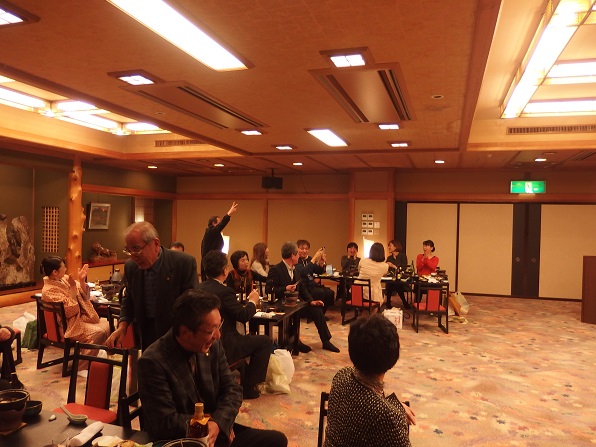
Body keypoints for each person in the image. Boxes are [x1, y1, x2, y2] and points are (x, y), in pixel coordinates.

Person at [137, 289, 287, 446]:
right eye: (211, 330)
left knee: (276, 440)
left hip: (215, 429)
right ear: (185, 331)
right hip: (181, 440)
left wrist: (219, 423)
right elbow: (165, 423)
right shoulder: (153, 361)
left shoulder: (212, 345)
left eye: (219, 326)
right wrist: (209, 424)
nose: (218, 335)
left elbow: (233, 389)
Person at [324, 314, 415, 447]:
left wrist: (394, 406)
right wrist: (393, 411)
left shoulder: (341, 375)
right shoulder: (387, 416)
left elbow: (366, 397)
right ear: (393, 356)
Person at [106, 222, 199, 351]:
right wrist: (122, 327)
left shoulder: (183, 263)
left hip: (176, 332)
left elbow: (192, 304)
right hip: (146, 331)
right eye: (128, 250)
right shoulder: (131, 266)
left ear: (155, 244)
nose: (133, 256)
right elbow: (129, 299)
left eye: (136, 249)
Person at [200, 250, 271, 400]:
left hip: (202, 341)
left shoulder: (198, 288)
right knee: (265, 341)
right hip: (224, 344)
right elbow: (243, 316)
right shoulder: (225, 291)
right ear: (225, 270)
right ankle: (249, 387)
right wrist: (253, 301)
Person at [266, 242, 339, 353]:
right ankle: (295, 341)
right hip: (281, 306)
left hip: (295, 304)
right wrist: (285, 288)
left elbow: (302, 288)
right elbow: (269, 290)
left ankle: (326, 341)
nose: (299, 256)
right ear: (292, 255)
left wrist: (311, 301)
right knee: (289, 316)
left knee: (316, 310)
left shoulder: (294, 269)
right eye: (297, 254)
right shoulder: (276, 269)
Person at [40, 257, 109, 350]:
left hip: (78, 318)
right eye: (63, 267)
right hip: (68, 326)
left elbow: (81, 292)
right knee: (98, 333)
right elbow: (70, 311)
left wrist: (81, 280)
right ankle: (85, 359)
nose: (66, 269)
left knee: (109, 326)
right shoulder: (49, 290)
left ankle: (98, 357)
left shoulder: (64, 279)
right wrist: (72, 286)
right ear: (55, 272)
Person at [200, 201, 239, 281]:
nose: (220, 224)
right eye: (219, 222)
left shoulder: (213, 233)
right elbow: (221, 225)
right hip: (210, 263)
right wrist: (229, 213)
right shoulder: (210, 231)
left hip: (211, 261)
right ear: (213, 223)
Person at [296, 240, 335, 313]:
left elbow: (318, 271)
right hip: (304, 286)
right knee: (320, 292)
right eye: (302, 248)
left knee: (330, 293)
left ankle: (322, 314)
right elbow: (303, 272)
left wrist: (321, 263)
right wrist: (314, 258)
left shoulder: (309, 259)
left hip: (312, 284)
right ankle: (315, 313)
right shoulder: (296, 260)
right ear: (297, 249)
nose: (304, 251)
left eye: (306, 249)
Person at [358, 242, 389, 311]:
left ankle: (363, 312)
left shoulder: (362, 260)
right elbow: (384, 274)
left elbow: (359, 270)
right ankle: (372, 315)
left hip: (357, 291)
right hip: (372, 294)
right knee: (382, 295)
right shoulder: (385, 266)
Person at [385, 240, 410, 310]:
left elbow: (403, 268)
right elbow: (388, 270)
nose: (389, 247)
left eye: (390, 245)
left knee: (397, 285)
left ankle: (402, 302)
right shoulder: (389, 258)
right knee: (390, 283)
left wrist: (393, 266)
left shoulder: (402, 256)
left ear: (395, 247)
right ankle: (390, 302)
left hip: (401, 278)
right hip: (391, 278)